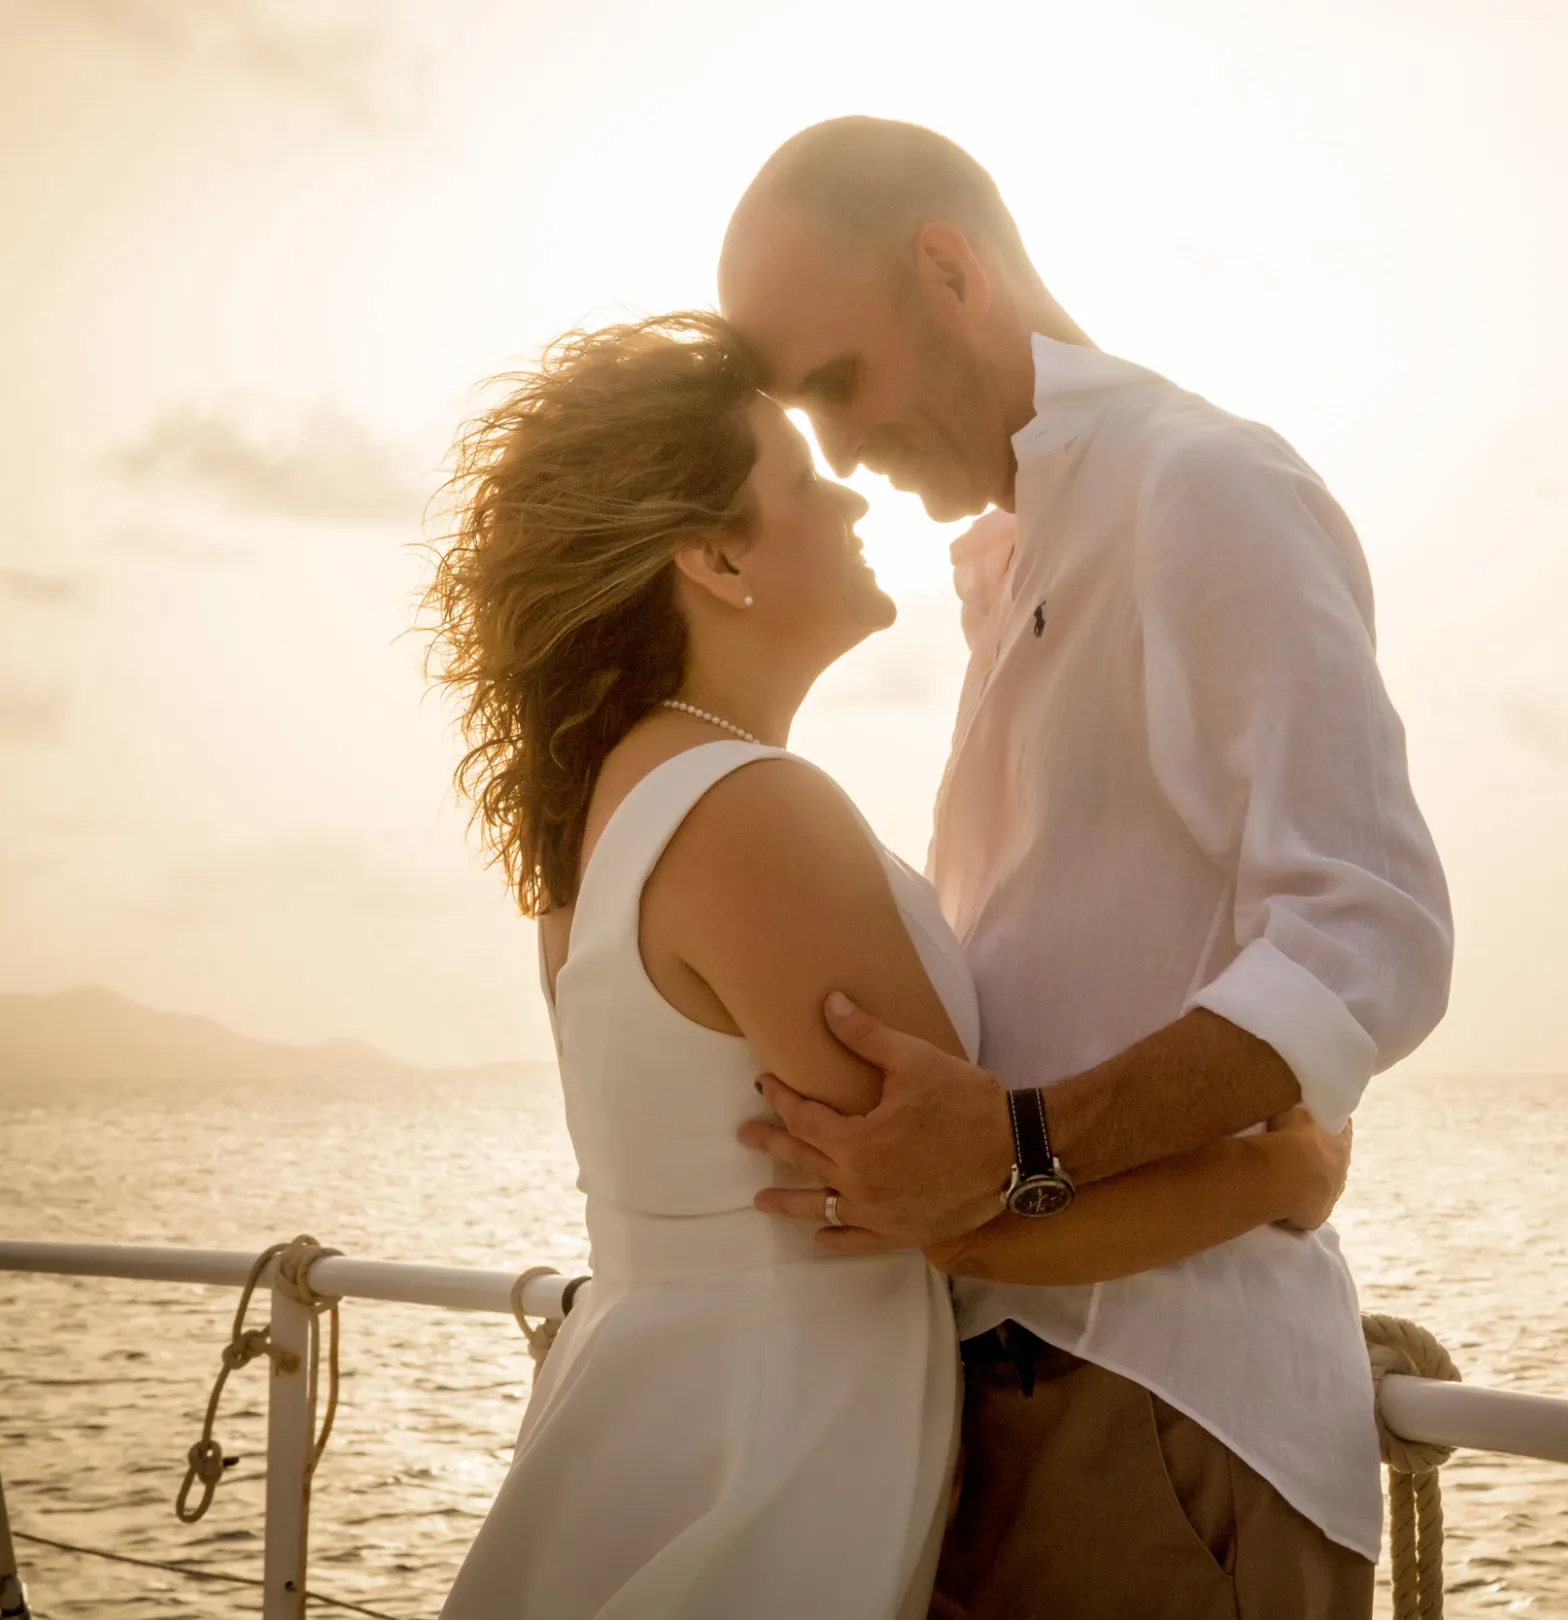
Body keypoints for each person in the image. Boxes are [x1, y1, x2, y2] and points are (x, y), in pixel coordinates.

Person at [422, 311, 1356, 1620]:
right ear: (716, 555)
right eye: (799, 477)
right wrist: (1288, 1164)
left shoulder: (619, 804)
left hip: (680, 1412)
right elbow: (966, 1211)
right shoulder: (749, 811)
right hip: (772, 1459)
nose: (850, 494)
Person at [719, 120, 1453, 1620]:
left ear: (948, 270)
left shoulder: (1201, 488)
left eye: (839, 386)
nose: (839, 450)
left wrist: (1025, 1142)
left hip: (1167, 1414)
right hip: (999, 1401)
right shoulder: (1018, 558)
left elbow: (1368, 942)